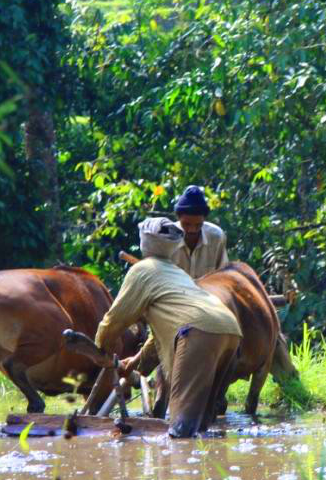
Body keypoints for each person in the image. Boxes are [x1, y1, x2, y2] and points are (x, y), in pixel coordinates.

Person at [93, 218, 242, 437]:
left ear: (144, 243)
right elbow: (160, 334)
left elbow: (115, 319)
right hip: (230, 329)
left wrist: (100, 348)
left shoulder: (142, 270)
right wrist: (136, 362)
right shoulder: (177, 272)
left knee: (180, 429)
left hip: (197, 331)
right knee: (202, 425)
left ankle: (179, 457)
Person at [170, 185, 229, 279]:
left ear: (204, 219)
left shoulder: (216, 237)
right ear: (178, 218)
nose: (192, 230)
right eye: (186, 224)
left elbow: (223, 275)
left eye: (198, 225)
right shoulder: (167, 239)